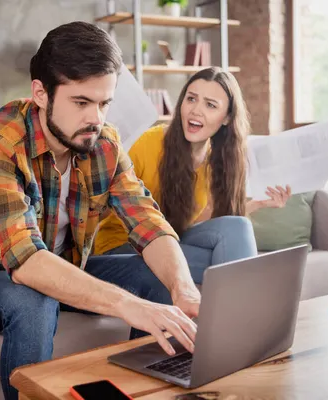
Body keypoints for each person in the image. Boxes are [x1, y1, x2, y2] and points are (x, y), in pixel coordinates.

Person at [0, 21, 202, 400]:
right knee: (35, 300)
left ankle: (145, 393)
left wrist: (183, 288)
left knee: (156, 282)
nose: (96, 118)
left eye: (104, 103)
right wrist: (128, 305)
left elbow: (147, 220)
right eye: (81, 102)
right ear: (40, 93)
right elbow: (26, 261)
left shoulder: (102, 141)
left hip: (68, 263)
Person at [94, 67, 291, 284]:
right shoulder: (149, 143)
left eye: (210, 105)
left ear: (226, 118)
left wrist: (258, 204)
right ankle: (247, 316)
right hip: (122, 248)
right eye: (191, 99)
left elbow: (190, 225)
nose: (196, 110)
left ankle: (239, 315)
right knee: (229, 264)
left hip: (169, 240)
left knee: (237, 226)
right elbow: (110, 205)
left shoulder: (217, 160)